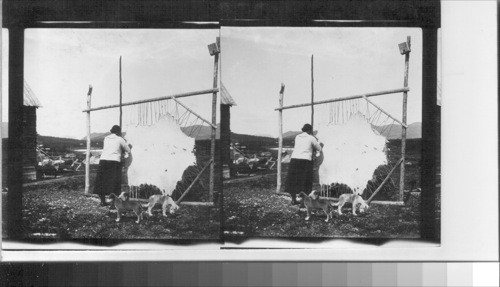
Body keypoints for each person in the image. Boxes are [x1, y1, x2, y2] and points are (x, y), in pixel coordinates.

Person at [93, 125, 132, 206]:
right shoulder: (120, 139)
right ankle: (113, 204)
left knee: (102, 182)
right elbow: (127, 150)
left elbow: (111, 148)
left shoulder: (106, 138)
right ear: (118, 132)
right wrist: (129, 147)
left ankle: (102, 201)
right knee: (114, 182)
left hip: (103, 161)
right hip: (114, 162)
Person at [285, 123, 323, 205]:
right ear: (310, 130)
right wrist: (321, 145)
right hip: (305, 161)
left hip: (294, 160)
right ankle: (303, 202)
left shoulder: (297, 137)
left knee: (294, 180)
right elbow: (318, 148)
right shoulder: (311, 138)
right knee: (305, 180)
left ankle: (293, 199)